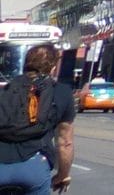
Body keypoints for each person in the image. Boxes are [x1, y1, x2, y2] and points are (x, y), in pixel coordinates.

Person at [0, 42, 75, 194]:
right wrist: (63, 175)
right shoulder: (62, 93)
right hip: (34, 167)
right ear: (53, 68)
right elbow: (65, 143)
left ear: (25, 64)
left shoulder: (5, 90)